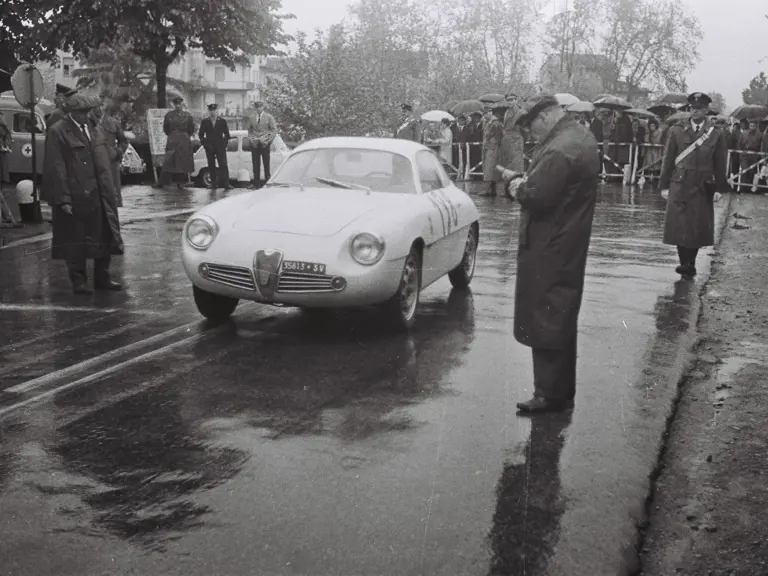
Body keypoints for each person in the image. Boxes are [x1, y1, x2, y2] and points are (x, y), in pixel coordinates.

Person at [501, 93, 600, 414]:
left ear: (544, 117)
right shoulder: (579, 137)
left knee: (545, 315)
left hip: (549, 244)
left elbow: (536, 195)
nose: (531, 135)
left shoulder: (559, 149)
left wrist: (514, 182)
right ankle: (558, 390)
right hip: (567, 240)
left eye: (530, 128)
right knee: (560, 315)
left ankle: (547, 393)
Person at [41, 93, 124, 294]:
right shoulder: (58, 131)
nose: (86, 115)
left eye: (87, 111)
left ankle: (102, 278)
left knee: (104, 234)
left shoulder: (94, 129)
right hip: (77, 193)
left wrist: (116, 156)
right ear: (71, 112)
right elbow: (56, 166)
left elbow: (106, 154)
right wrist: (63, 199)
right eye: (82, 112)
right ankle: (78, 281)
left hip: (100, 192)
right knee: (75, 238)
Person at [659, 92, 728, 277]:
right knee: (679, 225)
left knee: (697, 225)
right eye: (692, 108)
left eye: (698, 108)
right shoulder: (677, 130)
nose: (694, 111)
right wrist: (664, 185)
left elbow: (720, 162)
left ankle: (691, 262)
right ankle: (685, 263)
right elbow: (668, 159)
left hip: (702, 185)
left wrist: (720, 187)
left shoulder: (716, 133)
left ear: (706, 110)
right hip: (680, 183)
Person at [152, 96, 195, 190]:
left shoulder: (188, 115)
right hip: (173, 139)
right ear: (174, 105)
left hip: (184, 140)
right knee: (168, 161)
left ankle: (181, 183)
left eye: (179, 104)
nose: (178, 106)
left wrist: (185, 136)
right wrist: (173, 135)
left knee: (183, 162)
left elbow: (191, 129)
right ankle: (162, 182)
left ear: (182, 104)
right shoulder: (169, 115)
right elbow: (166, 129)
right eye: (176, 104)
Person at [97, 100, 128, 207]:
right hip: (95, 159)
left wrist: (117, 152)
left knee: (113, 192)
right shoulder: (89, 123)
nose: (100, 108)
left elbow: (123, 141)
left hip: (111, 160)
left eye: (102, 104)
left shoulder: (114, 123)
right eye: (98, 105)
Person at [198, 103, 231, 191]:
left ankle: (226, 184)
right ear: (209, 111)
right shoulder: (205, 121)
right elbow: (201, 135)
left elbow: (227, 134)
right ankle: (213, 184)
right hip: (209, 147)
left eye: (214, 110)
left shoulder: (222, 121)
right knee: (211, 165)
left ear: (217, 111)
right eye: (211, 110)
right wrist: (205, 145)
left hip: (220, 146)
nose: (213, 112)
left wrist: (224, 144)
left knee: (223, 165)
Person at [246, 101, 277, 188]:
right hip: (255, 144)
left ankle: (267, 183)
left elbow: (274, 130)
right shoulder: (252, 117)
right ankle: (256, 183)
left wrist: (268, 141)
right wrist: (251, 139)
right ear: (255, 108)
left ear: (263, 107)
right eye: (257, 107)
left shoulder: (269, 117)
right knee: (255, 164)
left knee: (266, 164)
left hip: (265, 144)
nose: (258, 109)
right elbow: (249, 130)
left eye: (260, 107)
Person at [481, 103, 506, 196]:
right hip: (489, 148)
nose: (484, 116)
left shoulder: (495, 123)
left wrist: (498, 148)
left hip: (493, 148)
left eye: (485, 113)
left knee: (489, 168)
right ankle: (492, 189)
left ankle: (486, 189)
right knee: (489, 168)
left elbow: (500, 137)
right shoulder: (489, 123)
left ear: (490, 113)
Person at [500, 100, 525, 176]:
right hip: (507, 138)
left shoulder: (520, 112)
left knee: (517, 162)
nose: (510, 102)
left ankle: (518, 180)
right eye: (508, 100)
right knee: (507, 161)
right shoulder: (507, 112)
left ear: (516, 100)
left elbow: (524, 127)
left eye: (512, 99)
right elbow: (505, 126)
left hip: (516, 138)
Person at [0, 114, 12, 223]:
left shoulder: (2, 121)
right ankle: (7, 217)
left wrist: (6, 146)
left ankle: (6, 216)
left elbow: (7, 135)